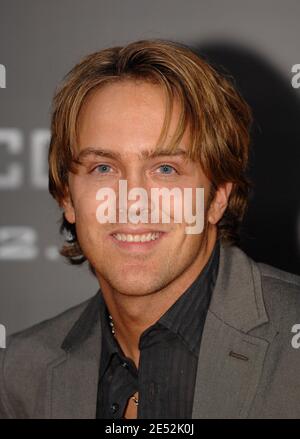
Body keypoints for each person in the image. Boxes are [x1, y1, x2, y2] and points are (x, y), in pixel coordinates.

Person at [1, 39, 300, 419]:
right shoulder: (20, 374)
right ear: (67, 198)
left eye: (165, 169)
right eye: (103, 168)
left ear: (218, 197)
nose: (133, 200)